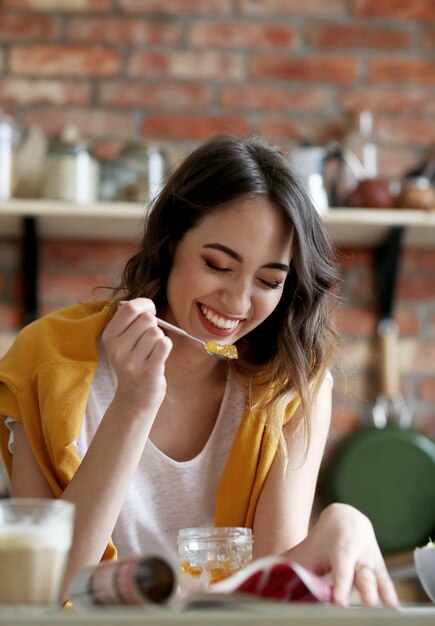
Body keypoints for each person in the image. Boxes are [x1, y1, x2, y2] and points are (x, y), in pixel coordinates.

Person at [0, 135, 398, 608]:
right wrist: (134, 402)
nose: (237, 303)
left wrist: (346, 520)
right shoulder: (44, 363)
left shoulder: (292, 382)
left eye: (269, 281)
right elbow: (48, 592)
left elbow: (270, 600)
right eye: (216, 264)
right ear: (170, 245)